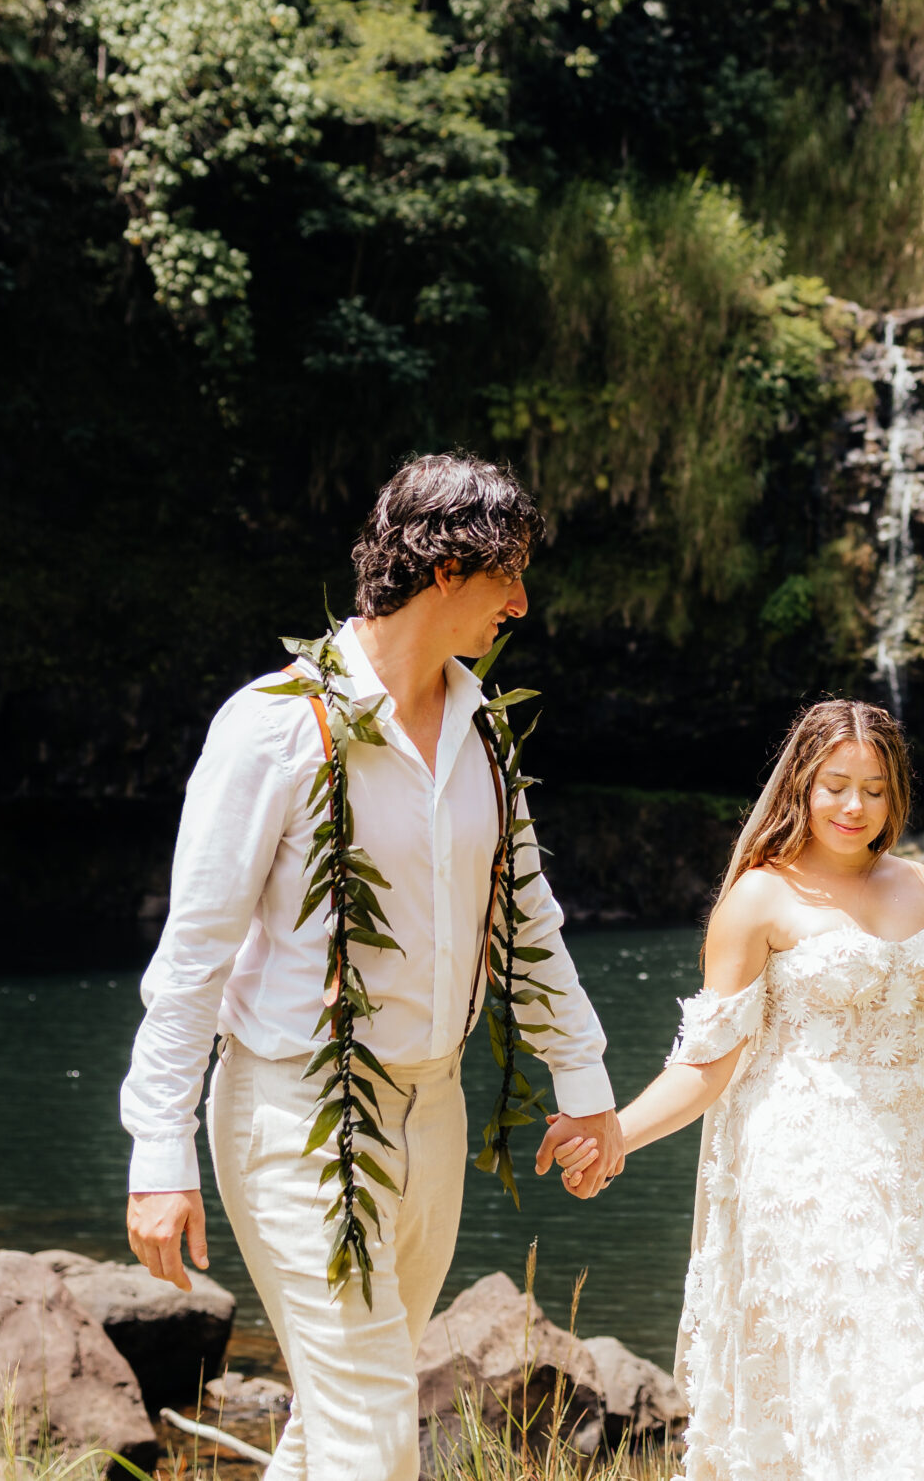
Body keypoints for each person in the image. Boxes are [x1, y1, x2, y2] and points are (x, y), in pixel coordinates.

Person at [120, 452, 625, 1481]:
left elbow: (524, 919)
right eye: (508, 575)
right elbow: (193, 960)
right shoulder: (274, 726)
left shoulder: (484, 732)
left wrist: (584, 1085)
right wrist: (157, 1153)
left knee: (342, 1411)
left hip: (430, 1112)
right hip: (297, 1113)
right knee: (372, 1435)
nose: (521, 603)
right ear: (446, 569)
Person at [543, 700, 924, 1480]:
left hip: (915, 1185)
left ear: (895, 793)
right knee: (852, 1395)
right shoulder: (759, 899)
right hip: (808, 1184)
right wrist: (616, 1131)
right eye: (835, 784)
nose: (853, 805)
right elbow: (708, 1063)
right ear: (801, 783)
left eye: (873, 787)